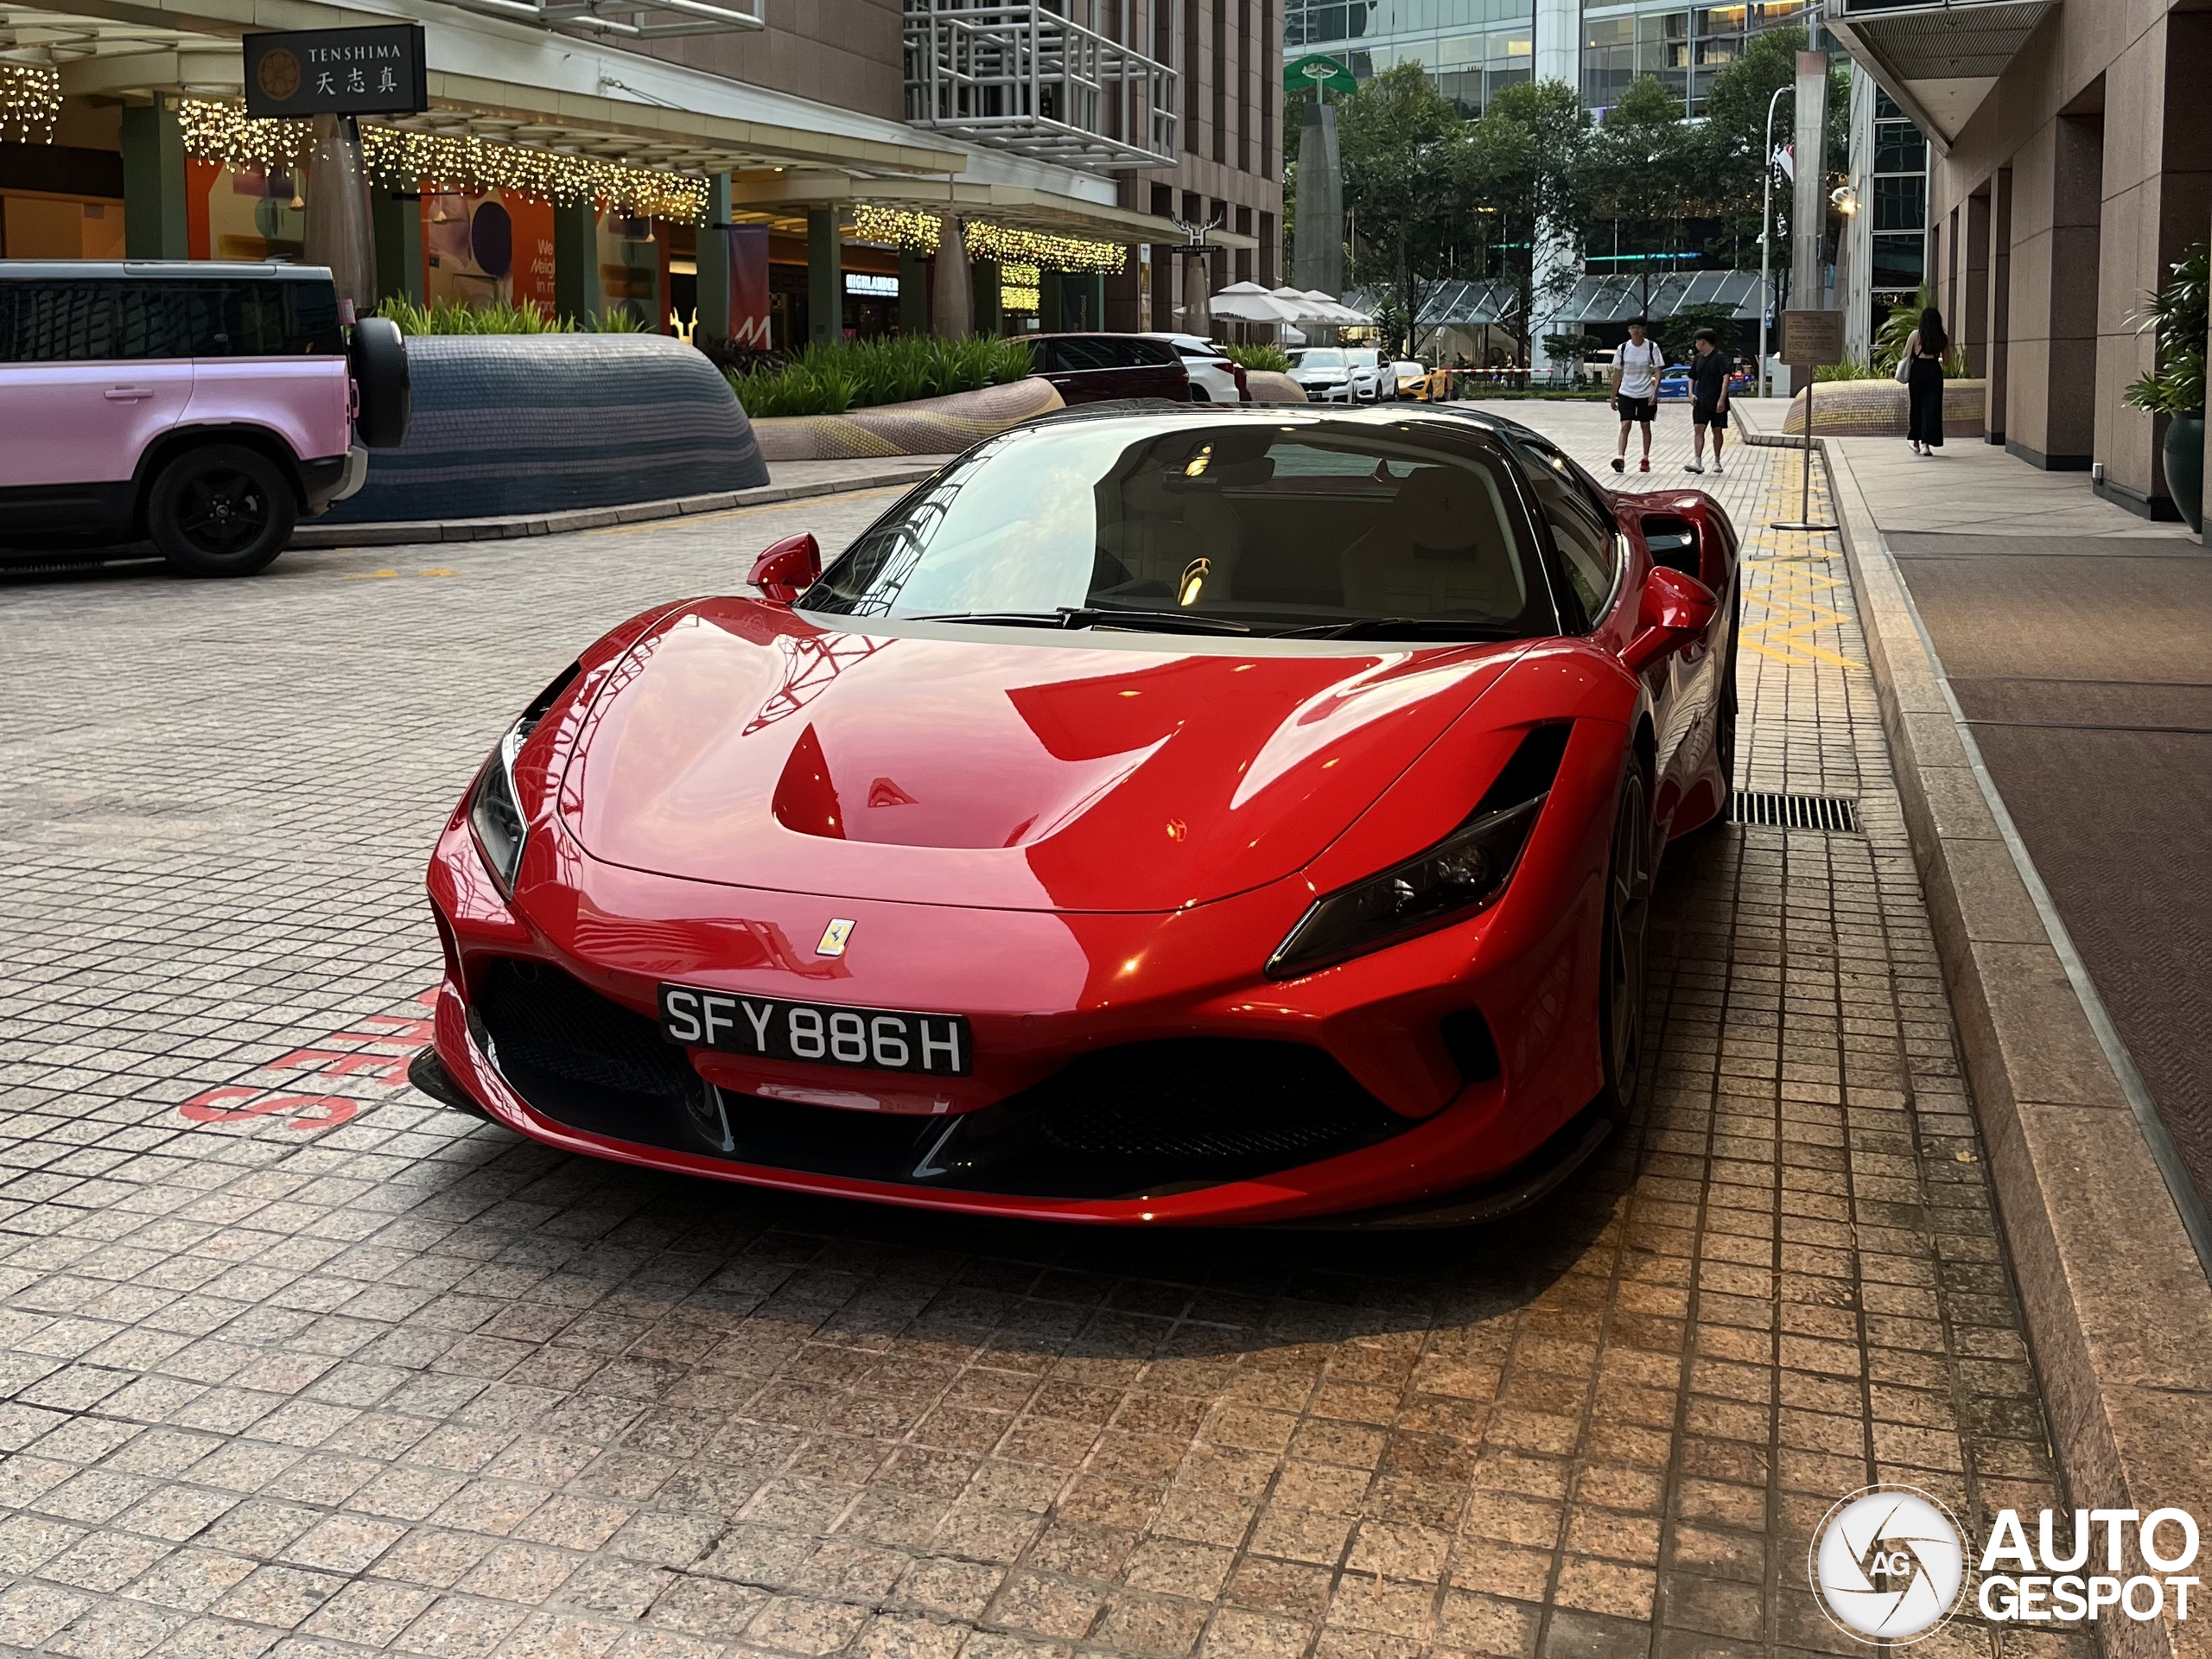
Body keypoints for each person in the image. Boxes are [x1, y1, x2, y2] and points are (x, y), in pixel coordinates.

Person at [1610, 318, 1664, 473]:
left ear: (1643, 330)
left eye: (1638, 327)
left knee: (1645, 426)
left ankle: (1645, 458)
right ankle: (1620, 457)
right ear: (1628, 330)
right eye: (1632, 328)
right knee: (1625, 425)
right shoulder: (1623, 348)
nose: (1635, 331)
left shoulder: (1652, 347)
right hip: (1627, 392)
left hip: (1645, 392)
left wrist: (1655, 391)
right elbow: (1618, 372)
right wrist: (1613, 395)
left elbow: (1658, 370)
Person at [1684, 328, 1732, 475]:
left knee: (1717, 430)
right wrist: (1691, 393)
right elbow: (1692, 377)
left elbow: (1726, 379)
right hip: (1701, 401)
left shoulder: (1720, 357)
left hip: (1717, 400)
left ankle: (1717, 461)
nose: (1696, 344)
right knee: (1698, 429)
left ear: (1702, 342)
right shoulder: (1698, 358)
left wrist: (1722, 399)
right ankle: (1697, 461)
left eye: (1697, 341)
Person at [1905, 306, 1948, 455]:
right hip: (1934, 372)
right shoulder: (1942, 337)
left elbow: (1906, 355)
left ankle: (1915, 440)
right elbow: (1947, 361)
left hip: (1917, 372)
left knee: (1916, 405)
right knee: (1931, 407)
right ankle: (1926, 444)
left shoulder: (1915, 335)